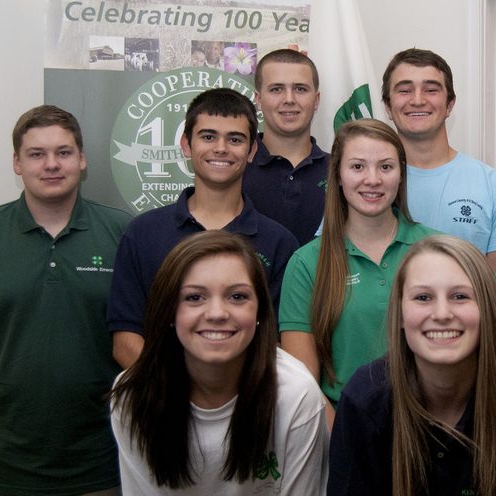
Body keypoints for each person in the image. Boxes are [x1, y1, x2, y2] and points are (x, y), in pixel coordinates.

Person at [0, 105, 132, 495]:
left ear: (82, 159)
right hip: (3, 461)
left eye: (64, 152)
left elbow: (142, 328)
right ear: (17, 163)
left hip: (101, 460)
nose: (51, 164)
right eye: (36, 154)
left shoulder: (124, 235)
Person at [328, 235, 496, 495]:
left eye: (460, 296)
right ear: (400, 314)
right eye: (422, 297)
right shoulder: (366, 401)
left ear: (487, 309)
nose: (442, 314)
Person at [110, 230, 327, 494]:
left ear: (259, 310)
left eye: (237, 296)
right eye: (194, 297)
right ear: (169, 310)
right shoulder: (133, 394)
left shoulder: (296, 393)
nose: (217, 313)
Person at [108, 88, 298, 369]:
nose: (221, 148)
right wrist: (185, 398)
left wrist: (223, 398)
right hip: (163, 404)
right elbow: (125, 341)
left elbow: (279, 345)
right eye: (208, 137)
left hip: (246, 405)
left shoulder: (279, 242)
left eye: (235, 139)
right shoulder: (142, 234)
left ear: (252, 151)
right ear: (186, 144)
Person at [278, 119, 437, 427]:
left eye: (386, 167)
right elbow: (303, 385)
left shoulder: (436, 251)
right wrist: (349, 445)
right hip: (343, 435)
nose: (373, 179)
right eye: (357, 167)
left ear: (401, 175)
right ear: (337, 175)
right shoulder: (307, 263)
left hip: (430, 433)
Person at [381, 48, 496, 266]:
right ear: (387, 107)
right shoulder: (364, 185)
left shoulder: (495, 187)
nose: (417, 100)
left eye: (431, 90)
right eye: (404, 90)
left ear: (449, 105)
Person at [244, 48, 329, 246]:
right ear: (258, 100)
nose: (289, 99)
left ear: (316, 100)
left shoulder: (340, 171)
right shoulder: (234, 167)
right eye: (276, 89)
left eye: (300, 89)